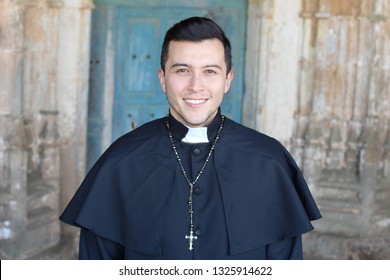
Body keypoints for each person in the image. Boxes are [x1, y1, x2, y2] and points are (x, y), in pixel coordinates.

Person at [60, 16, 321, 260]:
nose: (196, 86)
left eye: (210, 71)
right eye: (182, 70)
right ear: (163, 78)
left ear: (227, 80)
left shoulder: (269, 161)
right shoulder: (120, 161)